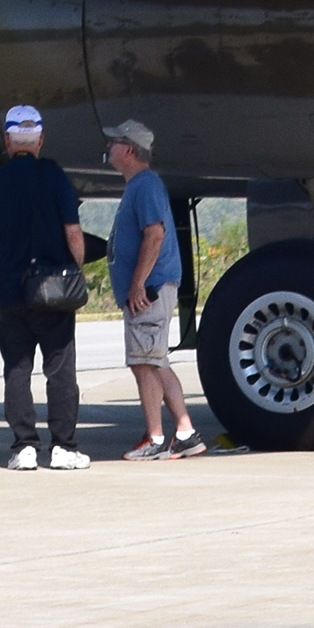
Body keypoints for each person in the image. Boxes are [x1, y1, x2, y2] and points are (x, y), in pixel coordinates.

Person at [0, 105, 94, 470]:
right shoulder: (54, 176)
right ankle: (63, 447)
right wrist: (75, 271)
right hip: (54, 291)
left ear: (8, 142)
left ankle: (24, 446)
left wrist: (0, 278)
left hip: (12, 292)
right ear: (40, 141)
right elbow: (73, 233)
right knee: (60, 370)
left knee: (17, 369)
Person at [107, 121, 200, 458]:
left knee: (144, 362)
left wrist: (136, 285)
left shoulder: (144, 185)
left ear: (129, 149)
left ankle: (156, 439)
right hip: (154, 288)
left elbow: (155, 234)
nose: (108, 146)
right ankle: (186, 431)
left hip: (149, 291)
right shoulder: (141, 185)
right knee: (156, 359)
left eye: (114, 141)